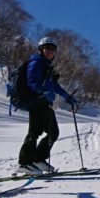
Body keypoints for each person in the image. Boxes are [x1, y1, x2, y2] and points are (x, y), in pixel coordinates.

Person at [17, 36, 76, 175]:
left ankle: (38, 159)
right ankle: (24, 163)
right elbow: (31, 81)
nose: (50, 52)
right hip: (35, 102)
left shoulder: (47, 66)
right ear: (41, 50)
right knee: (34, 133)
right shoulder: (36, 62)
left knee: (53, 132)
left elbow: (54, 86)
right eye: (47, 49)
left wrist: (67, 96)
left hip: (45, 104)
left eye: (52, 50)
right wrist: (43, 92)